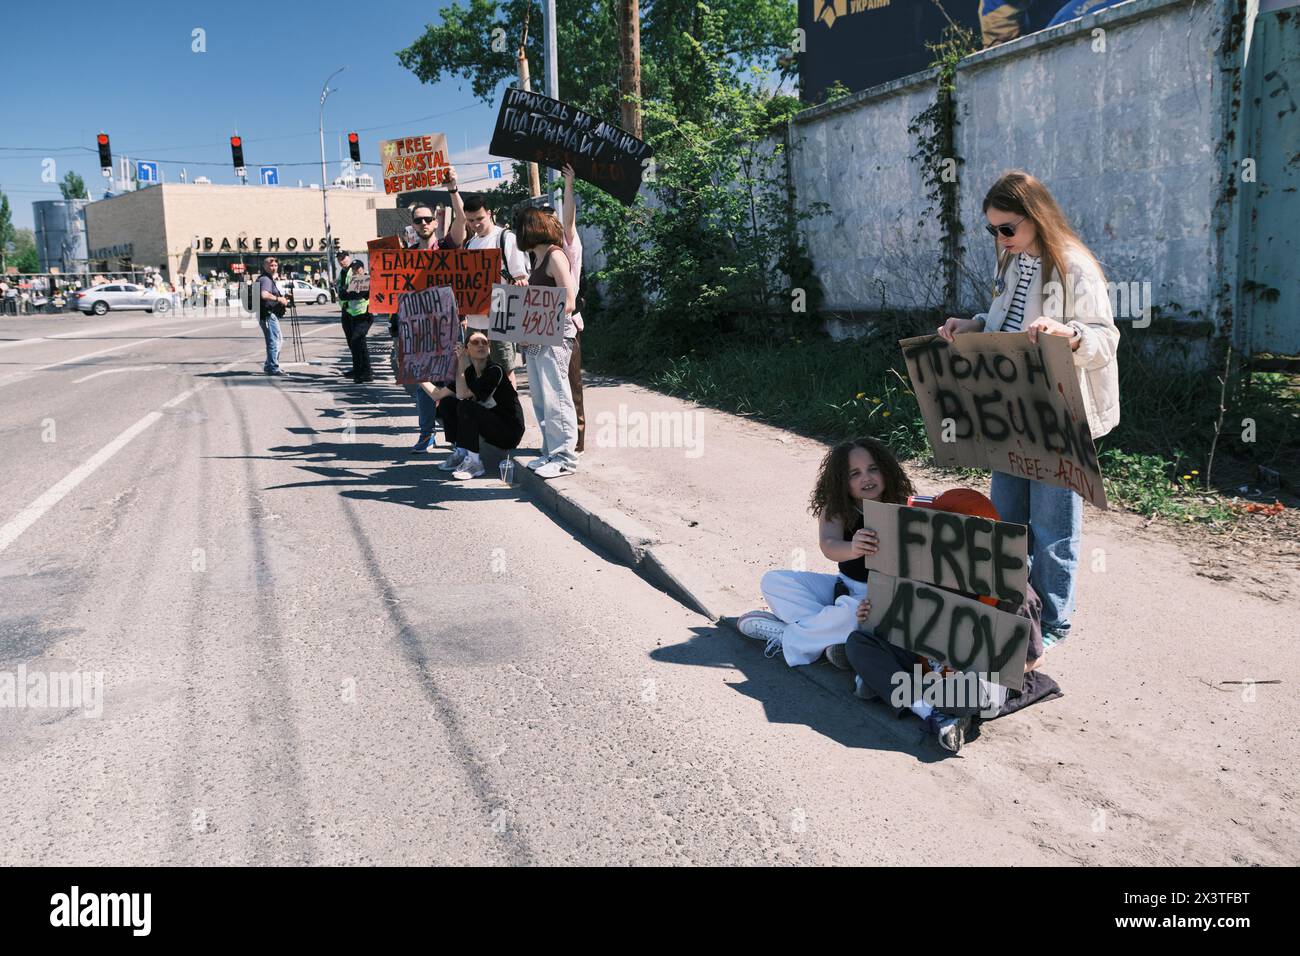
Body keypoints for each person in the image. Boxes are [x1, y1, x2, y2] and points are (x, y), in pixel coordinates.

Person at [937, 170, 1119, 648]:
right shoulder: (1013, 261)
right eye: (992, 229)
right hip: (1009, 408)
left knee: (1053, 526)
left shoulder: (1074, 266)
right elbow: (1005, 322)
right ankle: (1016, 607)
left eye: (1006, 228)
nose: (999, 237)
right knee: (1007, 518)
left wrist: (1071, 334)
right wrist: (973, 322)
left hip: (1057, 413)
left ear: (1036, 217)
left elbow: (1105, 337)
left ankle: (1053, 623)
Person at [845, 488, 1064, 754]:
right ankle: (927, 710)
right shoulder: (927, 565)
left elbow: (1036, 660)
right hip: (926, 662)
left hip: (974, 679)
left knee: (968, 691)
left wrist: (984, 666)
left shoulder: (1016, 594)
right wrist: (871, 616)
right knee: (858, 643)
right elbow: (898, 621)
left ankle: (894, 688)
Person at [736, 437, 915, 669]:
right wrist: (852, 548)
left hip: (878, 595)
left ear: (887, 470)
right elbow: (828, 545)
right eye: (855, 474)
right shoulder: (837, 507)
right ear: (841, 481)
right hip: (843, 585)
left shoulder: (902, 504)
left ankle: (789, 637)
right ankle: (829, 639)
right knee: (774, 581)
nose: (866, 478)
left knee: (851, 613)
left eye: (873, 469)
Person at [401, 181, 467, 451]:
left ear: (435, 223)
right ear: (413, 225)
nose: (424, 223)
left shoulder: (447, 246)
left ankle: (457, 436)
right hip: (420, 329)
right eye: (419, 220)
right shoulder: (405, 256)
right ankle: (426, 434)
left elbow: (461, 219)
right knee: (423, 385)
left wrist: (453, 190)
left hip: (450, 325)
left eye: (428, 219)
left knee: (454, 380)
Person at [516, 207, 580, 479]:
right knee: (542, 399)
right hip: (536, 336)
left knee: (557, 395)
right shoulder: (537, 258)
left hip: (553, 336)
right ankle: (551, 451)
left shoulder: (554, 255)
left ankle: (565, 457)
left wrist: (537, 328)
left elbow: (569, 301)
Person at [449, 187, 530, 380]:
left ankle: (510, 409)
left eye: (479, 219)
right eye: (470, 221)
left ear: (489, 214)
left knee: (504, 369)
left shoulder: (506, 238)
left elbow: (520, 278)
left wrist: (519, 286)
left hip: (501, 315)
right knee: (478, 371)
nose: (475, 224)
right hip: (475, 320)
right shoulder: (470, 244)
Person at [423, 330, 526, 480]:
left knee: (465, 406)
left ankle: (475, 463)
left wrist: (461, 364)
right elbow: (437, 395)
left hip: (508, 432)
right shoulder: (470, 373)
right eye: (476, 342)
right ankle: (461, 451)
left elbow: (462, 394)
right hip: (490, 426)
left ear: (489, 348)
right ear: (467, 349)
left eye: (485, 342)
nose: (481, 345)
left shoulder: (495, 371)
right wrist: (416, 377)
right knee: (446, 403)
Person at [339, 259, 374, 383]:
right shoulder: (352, 281)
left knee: (356, 342)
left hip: (365, 315)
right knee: (361, 344)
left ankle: (359, 374)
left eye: (357, 269)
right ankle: (367, 373)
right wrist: (349, 292)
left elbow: (359, 295)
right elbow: (342, 295)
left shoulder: (367, 279)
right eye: (353, 269)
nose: (355, 271)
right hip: (354, 315)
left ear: (362, 268)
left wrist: (349, 292)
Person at [257, 256, 290, 375]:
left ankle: (269, 365)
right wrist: (279, 298)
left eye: (275, 265)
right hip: (267, 315)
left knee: (277, 340)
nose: (274, 267)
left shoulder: (267, 278)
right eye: (271, 265)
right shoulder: (265, 279)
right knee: (274, 341)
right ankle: (272, 367)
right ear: (265, 266)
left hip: (268, 314)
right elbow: (264, 294)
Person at [335, 251, 354, 377]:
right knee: (351, 342)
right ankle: (356, 367)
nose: (342, 261)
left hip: (356, 311)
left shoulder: (355, 269)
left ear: (349, 257)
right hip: (346, 309)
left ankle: (361, 369)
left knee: (357, 341)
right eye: (339, 259)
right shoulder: (342, 272)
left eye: (343, 258)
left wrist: (344, 292)